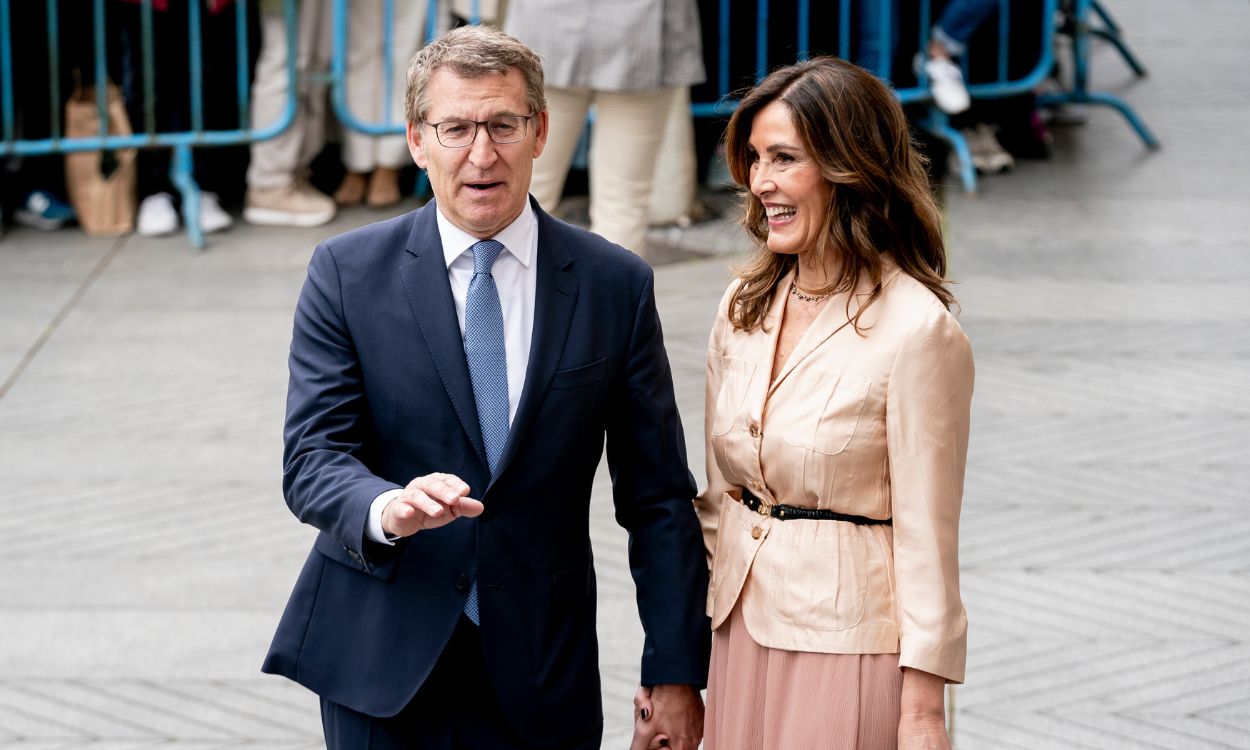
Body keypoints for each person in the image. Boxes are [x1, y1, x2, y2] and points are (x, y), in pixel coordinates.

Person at [262, 25, 711, 750]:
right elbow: (313, 460)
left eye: (503, 124)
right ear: (416, 140)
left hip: (540, 669)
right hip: (382, 663)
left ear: (539, 131)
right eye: (457, 128)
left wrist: (676, 669)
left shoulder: (612, 285)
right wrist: (387, 507)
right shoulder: (346, 273)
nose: (481, 153)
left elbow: (658, 497)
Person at [650, 57, 974, 749]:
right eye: (756, 159)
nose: (760, 182)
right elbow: (720, 497)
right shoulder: (742, 305)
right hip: (738, 630)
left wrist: (922, 710)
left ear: (848, 167)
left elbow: (928, 536)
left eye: (784, 159)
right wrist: (677, 668)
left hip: (847, 640)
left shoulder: (918, 329)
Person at [504, 0, 705, 258]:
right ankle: (608, 297)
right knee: (623, 202)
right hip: (643, 35)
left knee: (525, 186)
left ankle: (515, 292)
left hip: (548, 27)